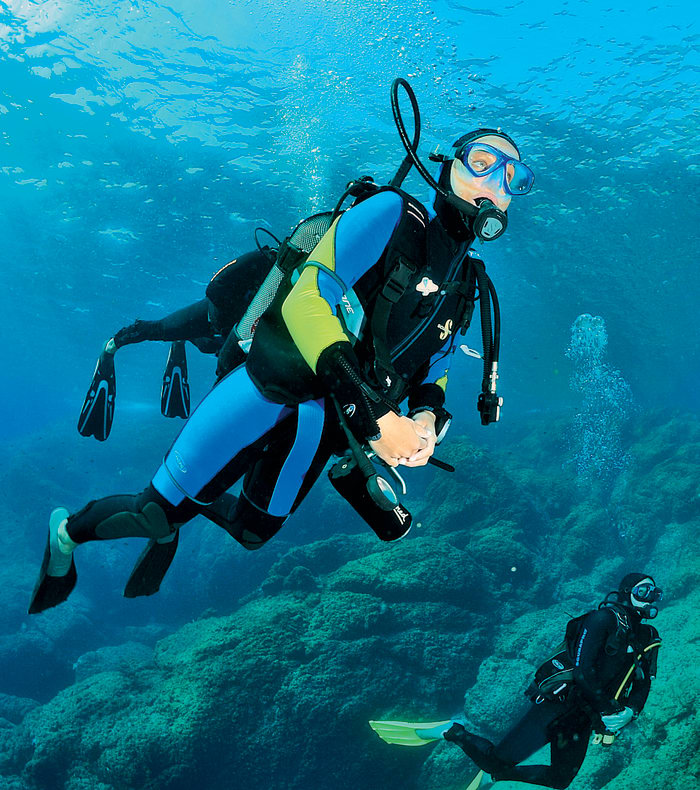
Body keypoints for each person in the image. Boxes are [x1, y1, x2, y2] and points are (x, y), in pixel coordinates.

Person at [29, 81, 535, 614]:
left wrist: (426, 422)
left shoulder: (468, 284)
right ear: (446, 164)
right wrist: (379, 420)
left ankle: (188, 502)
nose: (496, 183)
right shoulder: (391, 214)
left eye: (513, 177)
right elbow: (308, 299)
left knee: (252, 534)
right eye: (482, 161)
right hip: (269, 386)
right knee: (154, 514)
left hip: (325, 422)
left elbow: (439, 362)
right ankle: (68, 533)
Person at [442, 573, 662, 789]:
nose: (649, 599)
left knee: (560, 780)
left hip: (584, 718)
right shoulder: (602, 619)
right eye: (642, 591)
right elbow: (582, 671)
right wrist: (608, 710)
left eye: (654, 593)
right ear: (625, 593)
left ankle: (497, 776)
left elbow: (643, 683)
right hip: (557, 708)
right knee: (493, 762)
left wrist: (631, 711)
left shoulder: (649, 636)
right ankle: (451, 730)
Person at [76, 246, 275, 440]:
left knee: (207, 347)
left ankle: (184, 337)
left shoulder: (294, 282)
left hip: (235, 330)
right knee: (159, 330)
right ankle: (111, 347)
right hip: (211, 316)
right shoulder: (268, 261)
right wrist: (229, 323)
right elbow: (216, 287)